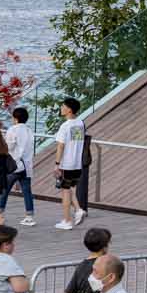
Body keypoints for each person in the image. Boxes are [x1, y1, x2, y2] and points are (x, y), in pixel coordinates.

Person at [53, 95, 87, 229]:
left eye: (63, 106)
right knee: (69, 189)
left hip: (66, 164)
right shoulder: (80, 123)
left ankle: (67, 220)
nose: (61, 108)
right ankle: (78, 210)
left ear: (69, 110)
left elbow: (61, 146)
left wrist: (56, 164)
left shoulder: (65, 126)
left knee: (65, 192)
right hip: (77, 164)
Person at [2, 105, 36, 224]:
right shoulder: (29, 130)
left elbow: (9, 146)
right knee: (27, 191)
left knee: (4, 190)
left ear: (15, 118)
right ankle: (29, 216)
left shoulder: (13, 129)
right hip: (26, 165)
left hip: (14, 164)